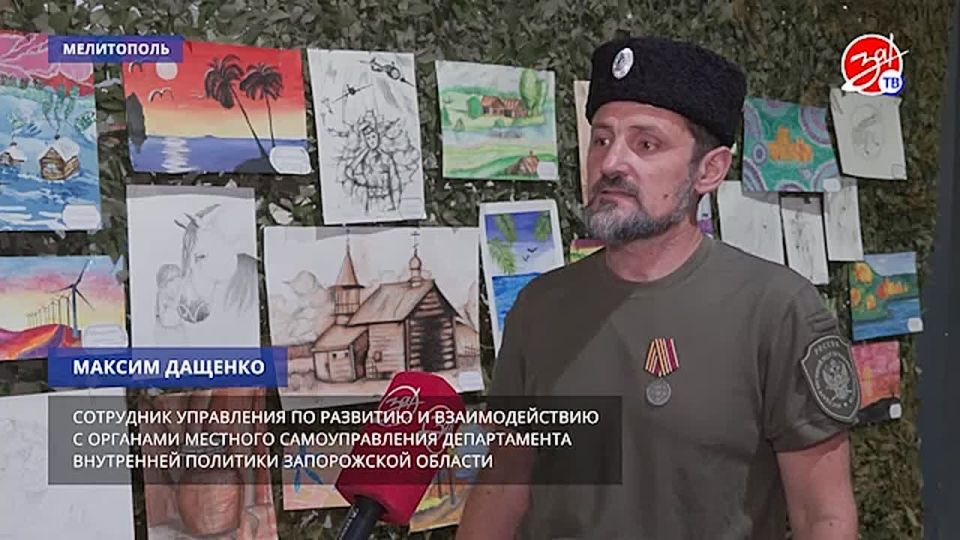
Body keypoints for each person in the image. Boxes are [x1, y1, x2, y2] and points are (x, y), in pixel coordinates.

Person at [457, 36, 860, 540]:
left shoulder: (778, 311)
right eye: (601, 140)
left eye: (645, 144)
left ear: (709, 170)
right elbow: (503, 485)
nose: (611, 163)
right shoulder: (540, 307)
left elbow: (823, 516)